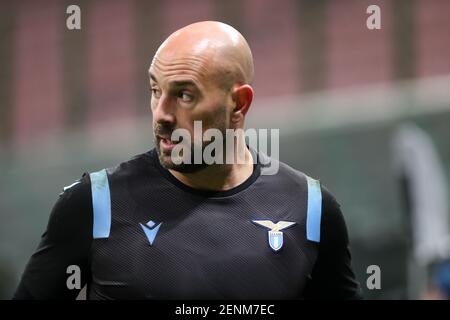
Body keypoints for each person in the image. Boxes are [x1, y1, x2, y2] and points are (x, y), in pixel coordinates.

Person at [13, 21, 361, 299]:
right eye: (155, 91)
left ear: (238, 104)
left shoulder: (311, 209)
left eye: (184, 94)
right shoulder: (93, 205)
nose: (161, 114)